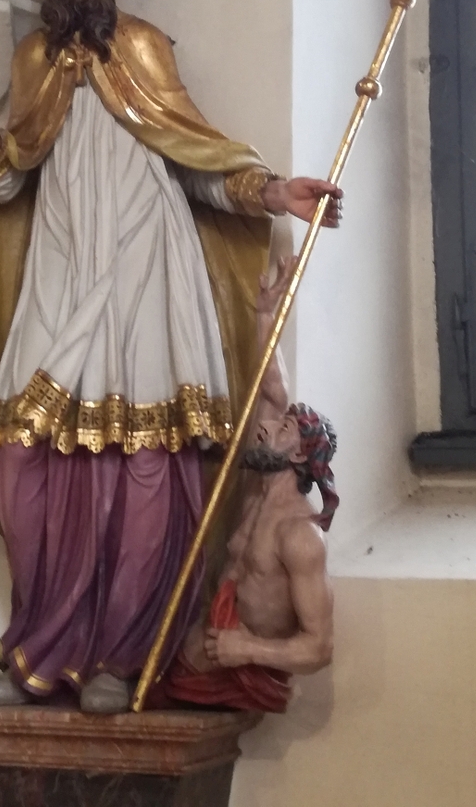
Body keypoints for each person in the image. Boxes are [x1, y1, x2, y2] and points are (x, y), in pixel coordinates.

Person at [0, 0, 342, 714]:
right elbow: (13, 173)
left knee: (144, 471)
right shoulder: (32, 59)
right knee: (26, 464)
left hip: (146, 273)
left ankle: (122, 659)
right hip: (62, 275)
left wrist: (270, 190)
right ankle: (38, 654)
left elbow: (197, 159)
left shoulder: (143, 48)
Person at [164, 257, 336, 713]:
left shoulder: (300, 536)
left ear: (298, 455)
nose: (265, 428)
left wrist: (248, 650)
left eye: (283, 430)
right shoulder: (257, 491)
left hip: (241, 670)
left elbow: (319, 646)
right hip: (201, 651)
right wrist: (265, 315)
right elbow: (270, 388)